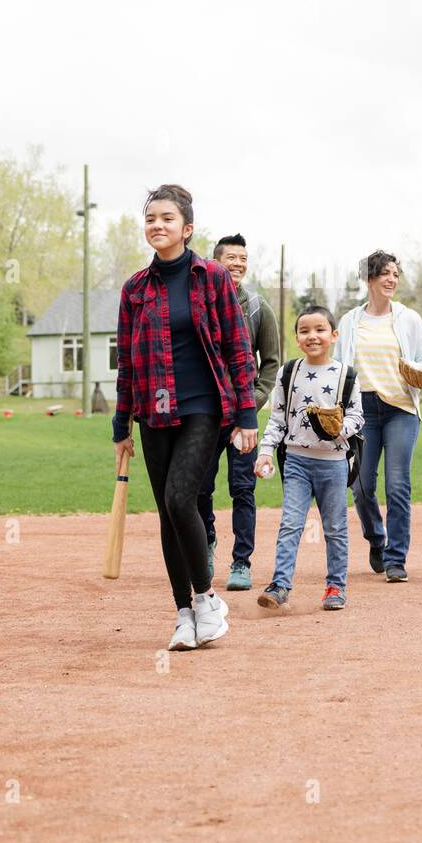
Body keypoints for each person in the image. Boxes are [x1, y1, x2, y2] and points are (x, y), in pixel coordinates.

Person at [112, 185, 258, 649]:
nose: (158, 225)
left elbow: (238, 347)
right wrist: (121, 425)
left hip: (203, 408)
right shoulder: (135, 288)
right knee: (167, 516)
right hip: (153, 414)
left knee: (181, 499)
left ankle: (208, 599)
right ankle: (184, 613)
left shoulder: (211, 277)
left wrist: (246, 415)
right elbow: (127, 363)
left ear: (187, 228)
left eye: (167, 218)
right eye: (151, 218)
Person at [255, 306, 364, 611]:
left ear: (333, 335)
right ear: (297, 338)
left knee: (335, 528)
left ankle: (335, 587)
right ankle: (280, 585)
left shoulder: (347, 374)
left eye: (319, 329)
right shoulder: (288, 372)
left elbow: (358, 416)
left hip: (333, 463)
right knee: (290, 524)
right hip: (297, 462)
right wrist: (265, 452)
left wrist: (341, 427)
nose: (312, 336)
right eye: (304, 331)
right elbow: (277, 418)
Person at [333, 250, 422, 582]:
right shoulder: (350, 322)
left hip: (401, 410)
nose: (392, 279)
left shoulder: (409, 319)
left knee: (398, 483)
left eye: (396, 274)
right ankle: (377, 539)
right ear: (369, 279)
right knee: (361, 486)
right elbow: (338, 368)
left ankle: (396, 559)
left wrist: (418, 370)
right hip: (363, 411)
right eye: (385, 274)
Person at [197, 234, 281, 591]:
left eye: (243, 258)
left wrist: (252, 403)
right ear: (215, 262)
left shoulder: (259, 308)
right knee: (199, 488)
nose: (238, 263)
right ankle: (207, 543)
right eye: (231, 257)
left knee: (242, 489)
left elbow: (272, 363)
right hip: (203, 416)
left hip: (242, 419)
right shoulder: (200, 303)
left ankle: (242, 562)